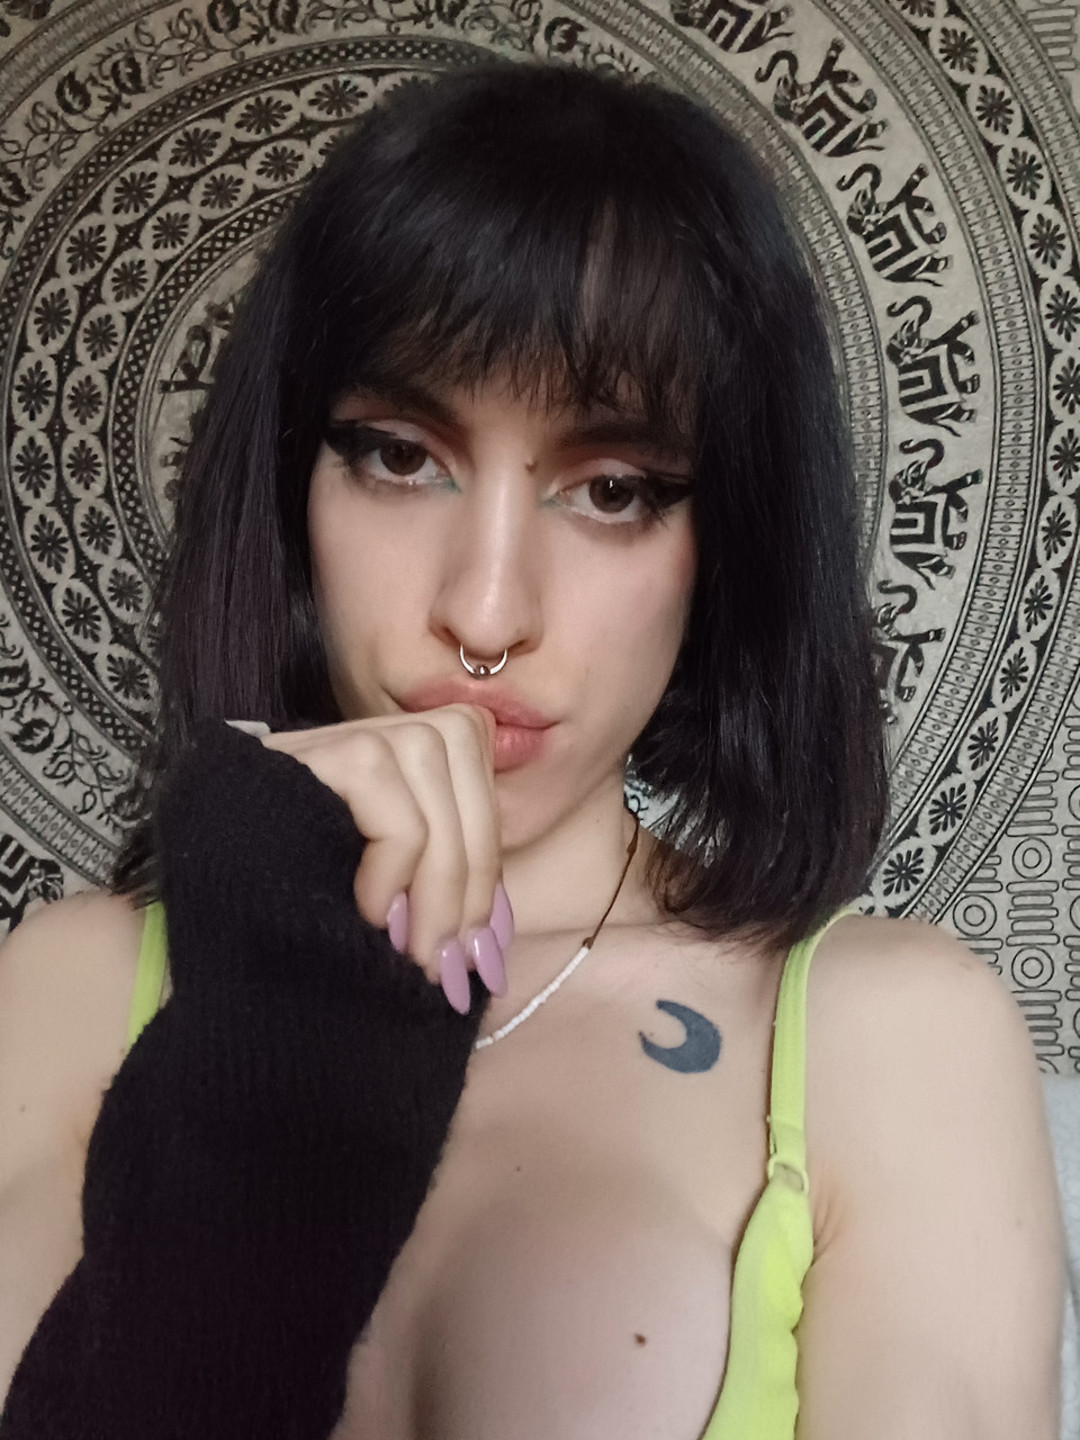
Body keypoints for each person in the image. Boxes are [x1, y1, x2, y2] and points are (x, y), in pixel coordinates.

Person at [0, 54, 1065, 1440]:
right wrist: (273, 1033)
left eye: (610, 489)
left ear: (726, 546)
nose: (487, 612)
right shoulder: (73, 988)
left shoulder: (895, 1039)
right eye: (399, 455)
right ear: (291, 481)